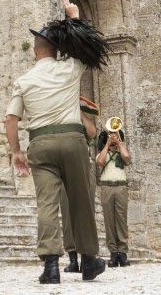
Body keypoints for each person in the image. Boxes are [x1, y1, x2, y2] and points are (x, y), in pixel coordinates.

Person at [5, 0, 110, 284]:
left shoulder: (24, 80)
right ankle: (89, 261)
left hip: (40, 144)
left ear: (36, 51)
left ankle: (50, 266)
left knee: (47, 204)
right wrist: (73, 16)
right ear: (56, 50)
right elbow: (84, 46)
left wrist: (16, 152)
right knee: (81, 201)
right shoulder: (69, 69)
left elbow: (11, 120)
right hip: (73, 140)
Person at [59, 98, 100, 273]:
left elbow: (92, 133)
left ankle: (87, 258)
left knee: (86, 212)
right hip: (65, 168)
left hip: (84, 167)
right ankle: (73, 258)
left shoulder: (82, 122)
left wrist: (80, 113)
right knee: (68, 214)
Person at [95, 122, 131, 267]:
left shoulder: (121, 152)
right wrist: (108, 144)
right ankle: (113, 252)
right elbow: (100, 162)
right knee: (109, 221)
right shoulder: (101, 152)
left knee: (121, 220)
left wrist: (119, 143)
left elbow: (127, 158)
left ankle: (122, 253)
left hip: (121, 187)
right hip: (107, 187)